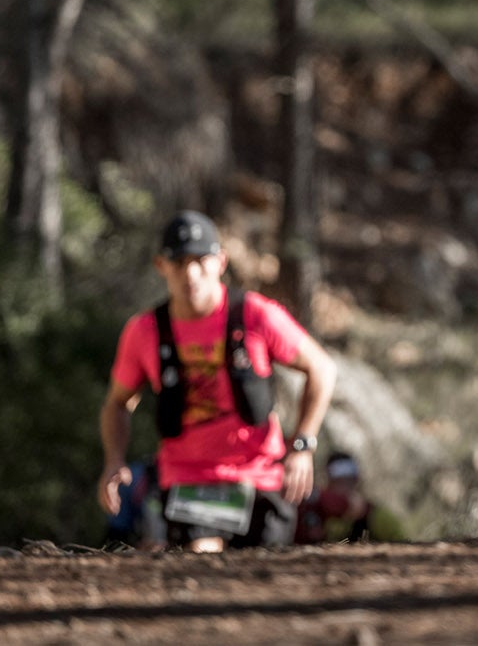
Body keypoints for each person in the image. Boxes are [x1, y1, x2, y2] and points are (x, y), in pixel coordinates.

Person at [97, 210, 339, 551]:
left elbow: (322, 369)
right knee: (203, 562)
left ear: (221, 262)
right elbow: (118, 403)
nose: (190, 273)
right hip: (190, 479)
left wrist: (303, 444)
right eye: (178, 262)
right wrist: (114, 460)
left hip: (262, 477)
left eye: (201, 260)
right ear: (160, 266)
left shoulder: (255, 314)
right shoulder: (144, 332)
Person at [294, 451, 411, 545]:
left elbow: (404, 545)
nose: (345, 487)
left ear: (357, 481)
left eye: (349, 480)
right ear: (328, 482)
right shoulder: (316, 511)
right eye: (338, 481)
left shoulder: (377, 516)